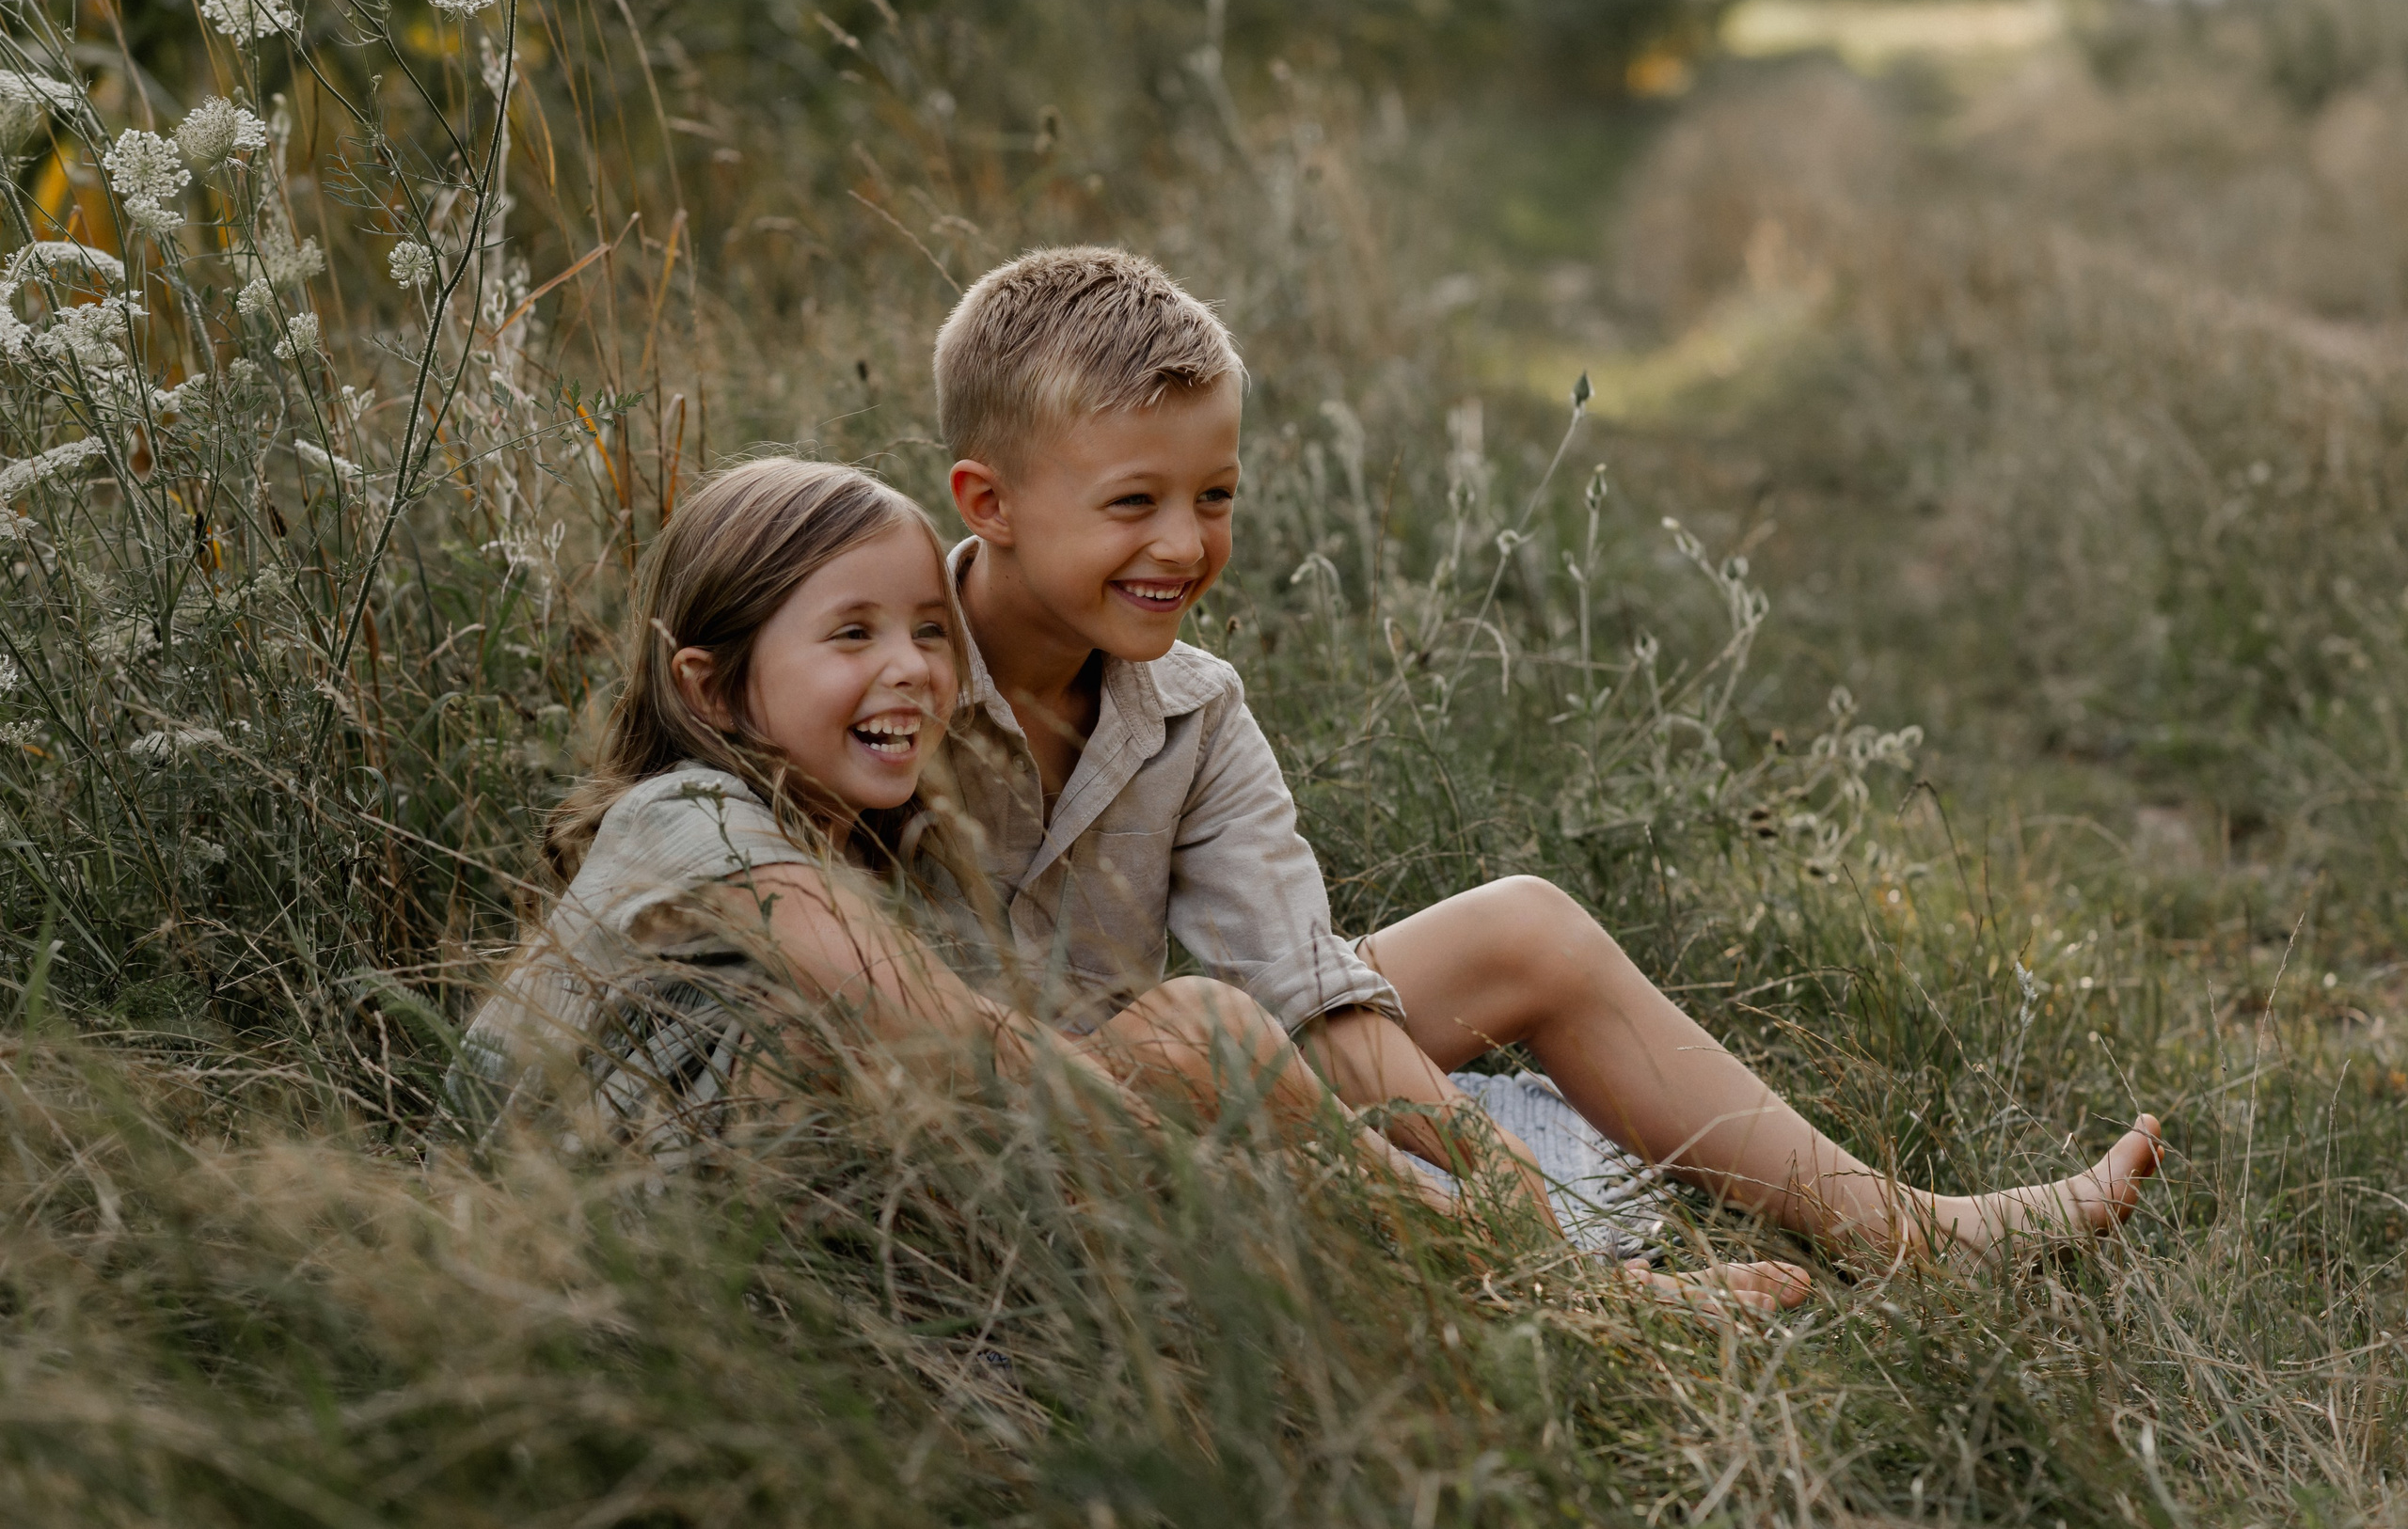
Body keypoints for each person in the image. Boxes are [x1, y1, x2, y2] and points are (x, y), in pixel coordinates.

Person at [918, 245, 2162, 1269]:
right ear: (990, 503)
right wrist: (1527, 1239)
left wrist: (1508, 1187)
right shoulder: (876, 673)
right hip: (957, 1114)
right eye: (1133, 503)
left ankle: (1898, 1230)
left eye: (1219, 496)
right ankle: (1562, 1290)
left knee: (1522, 925)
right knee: (1201, 1042)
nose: (1185, 544)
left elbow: (1311, 994)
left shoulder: (1191, 706)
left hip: (1161, 1078)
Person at [442, 458, 1791, 1309]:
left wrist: (1240, 1101)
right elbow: (959, 1042)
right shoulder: (693, 823)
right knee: (1199, 1042)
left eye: (926, 630)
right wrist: (1246, 1138)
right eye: (851, 635)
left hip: (777, 1225)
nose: (913, 667)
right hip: (622, 1278)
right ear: (712, 685)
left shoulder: (845, 820)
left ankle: (1590, 1271)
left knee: (1215, 1035)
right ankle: (1575, 1303)